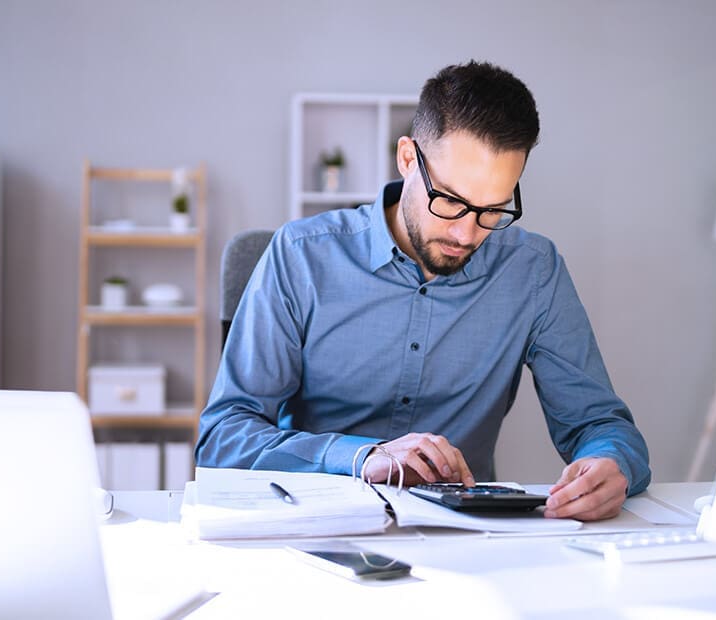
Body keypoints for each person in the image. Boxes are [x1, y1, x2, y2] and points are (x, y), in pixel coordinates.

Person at [196, 60, 650, 521]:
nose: (467, 234)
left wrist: (612, 464)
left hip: (464, 534)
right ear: (408, 158)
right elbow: (223, 438)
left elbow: (598, 422)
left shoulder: (533, 270)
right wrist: (362, 457)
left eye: (493, 210)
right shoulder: (301, 255)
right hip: (311, 526)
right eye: (450, 201)